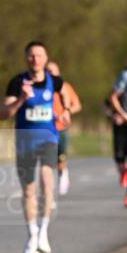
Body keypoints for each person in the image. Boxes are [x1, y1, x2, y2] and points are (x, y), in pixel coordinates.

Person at [0, 41, 69, 253]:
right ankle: (32, 234)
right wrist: (21, 99)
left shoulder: (55, 82)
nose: (35, 60)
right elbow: (2, 114)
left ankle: (44, 231)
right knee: (29, 191)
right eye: (31, 56)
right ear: (26, 58)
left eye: (39, 56)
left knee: (47, 181)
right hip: (24, 142)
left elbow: (66, 96)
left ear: (45, 59)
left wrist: (64, 112)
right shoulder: (17, 82)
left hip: (48, 139)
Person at [46, 60, 82, 196]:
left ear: (58, 73)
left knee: (60, 158)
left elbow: (77, 105)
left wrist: (66, 112)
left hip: (61, 127)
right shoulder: (42, 87)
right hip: (45, 128)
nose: (51, 74)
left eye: (53, 71)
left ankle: (63, 173)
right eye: (48, 71)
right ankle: (48, 191)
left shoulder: (65, 87)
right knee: (47, 160)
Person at [108, 66, 127, 209]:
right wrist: (123, 115)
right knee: (119, 158)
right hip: (124, 122)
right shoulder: (126, 74)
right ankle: (124, 169)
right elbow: (113, 97)